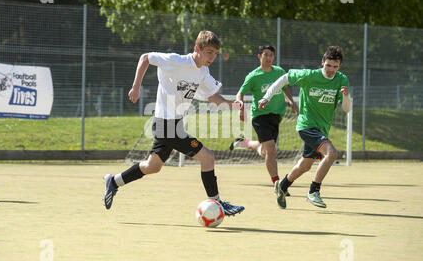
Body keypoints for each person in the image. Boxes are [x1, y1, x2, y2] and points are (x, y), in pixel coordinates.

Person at [102, 30, 245, 216]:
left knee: (153, 166)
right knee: (208, 158)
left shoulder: (203, 71)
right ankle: (218, 205)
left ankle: (114, 181)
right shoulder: (176, 61)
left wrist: (233, 105)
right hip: (165, 125)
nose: (212, 57)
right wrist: (136, 87)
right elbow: (146, 58)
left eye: (215, 53)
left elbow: (212, 97)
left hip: (173, 125)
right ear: (197, 49)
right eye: (209, 52)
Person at [258, 46, 351, 209]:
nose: (331, 70)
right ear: (322, 62)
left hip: (322, 129)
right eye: (328, 65)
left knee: (305, 165)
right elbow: (284, 78)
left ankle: (283, 185)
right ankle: (314, 191)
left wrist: (346, 96)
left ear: (339, 66)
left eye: (335, 67)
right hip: (306, 125)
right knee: (332, 153)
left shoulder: (341, 80)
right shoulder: (309, 75)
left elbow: (346, 109)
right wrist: (267, 97)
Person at [229, 45, 298, 196]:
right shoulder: (253, 76)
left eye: (271, 55)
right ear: (259, 56)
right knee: (272, 149)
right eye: (265, 54)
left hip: (276, 115)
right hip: (260, 116)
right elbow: (239, 93)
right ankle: (278, 184)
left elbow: (285, 86)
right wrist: (240, 107)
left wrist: (291, 102)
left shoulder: (279, 72)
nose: (268, 57)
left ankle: (243, 142)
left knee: (267, 152)